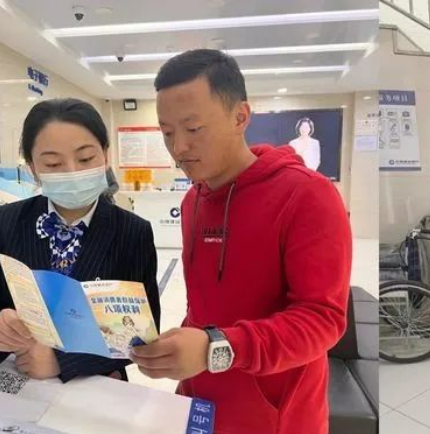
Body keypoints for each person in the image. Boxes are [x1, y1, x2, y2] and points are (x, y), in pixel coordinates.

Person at [130, 50, 352, 433]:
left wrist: (216, 348)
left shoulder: (307, 195)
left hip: (278, 415)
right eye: (167, 133)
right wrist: (179, 354)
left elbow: (322, 319)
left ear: (240, 117)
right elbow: (204, 306)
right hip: (203, 403)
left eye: (193, 129)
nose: (178, 148)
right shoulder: (193, 200)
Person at [0, 98, 160, 382]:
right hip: (19, 381)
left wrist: (63, 362)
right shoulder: (7, 221)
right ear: (32, 168)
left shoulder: (132, 232)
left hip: (97, 383)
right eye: (53, 163)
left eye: (85, 159)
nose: (72, 172)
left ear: (105, 155)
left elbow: (141, 335)